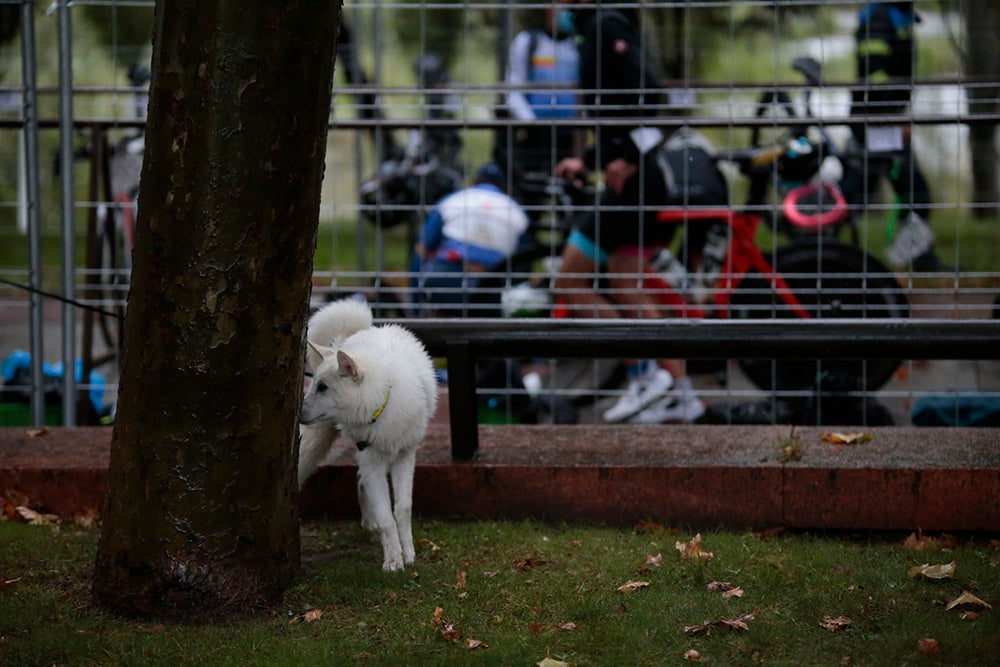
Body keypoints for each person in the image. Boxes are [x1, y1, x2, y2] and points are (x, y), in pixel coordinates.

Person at [550, 0, 709, 425]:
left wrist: (626, 156)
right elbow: (612, 107)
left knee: (568, 278)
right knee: (624, 280)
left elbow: (648, 90)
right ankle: (682, 394)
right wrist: (594, 158)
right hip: (634, 178)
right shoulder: (595, 27)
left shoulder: (607, 22)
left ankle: (644, 375)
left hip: (636, 182)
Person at [844, 1, 943, 271]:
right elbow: (872, 73)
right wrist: (893, 117)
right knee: (909, 191)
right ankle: (821, 251)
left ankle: (916, 258)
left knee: (863, 192)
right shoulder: (879, 17)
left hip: (882, 119)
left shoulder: (899, 14)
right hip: (878, 120)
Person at [414, 162, 530, 316]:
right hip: (495, 284)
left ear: (475, 182)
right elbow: (524, 264)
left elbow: (421, 250)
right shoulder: (516, 209)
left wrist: (415, 307)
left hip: (449, 276)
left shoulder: (453, 199)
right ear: (504, 187)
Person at [497, 6, 581, 207]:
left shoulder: (578, 44)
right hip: (535, 136)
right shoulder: (528, 42)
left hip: (570, 136)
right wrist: (532, 122)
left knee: (573, 197)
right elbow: (514, 90)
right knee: (529, 198)